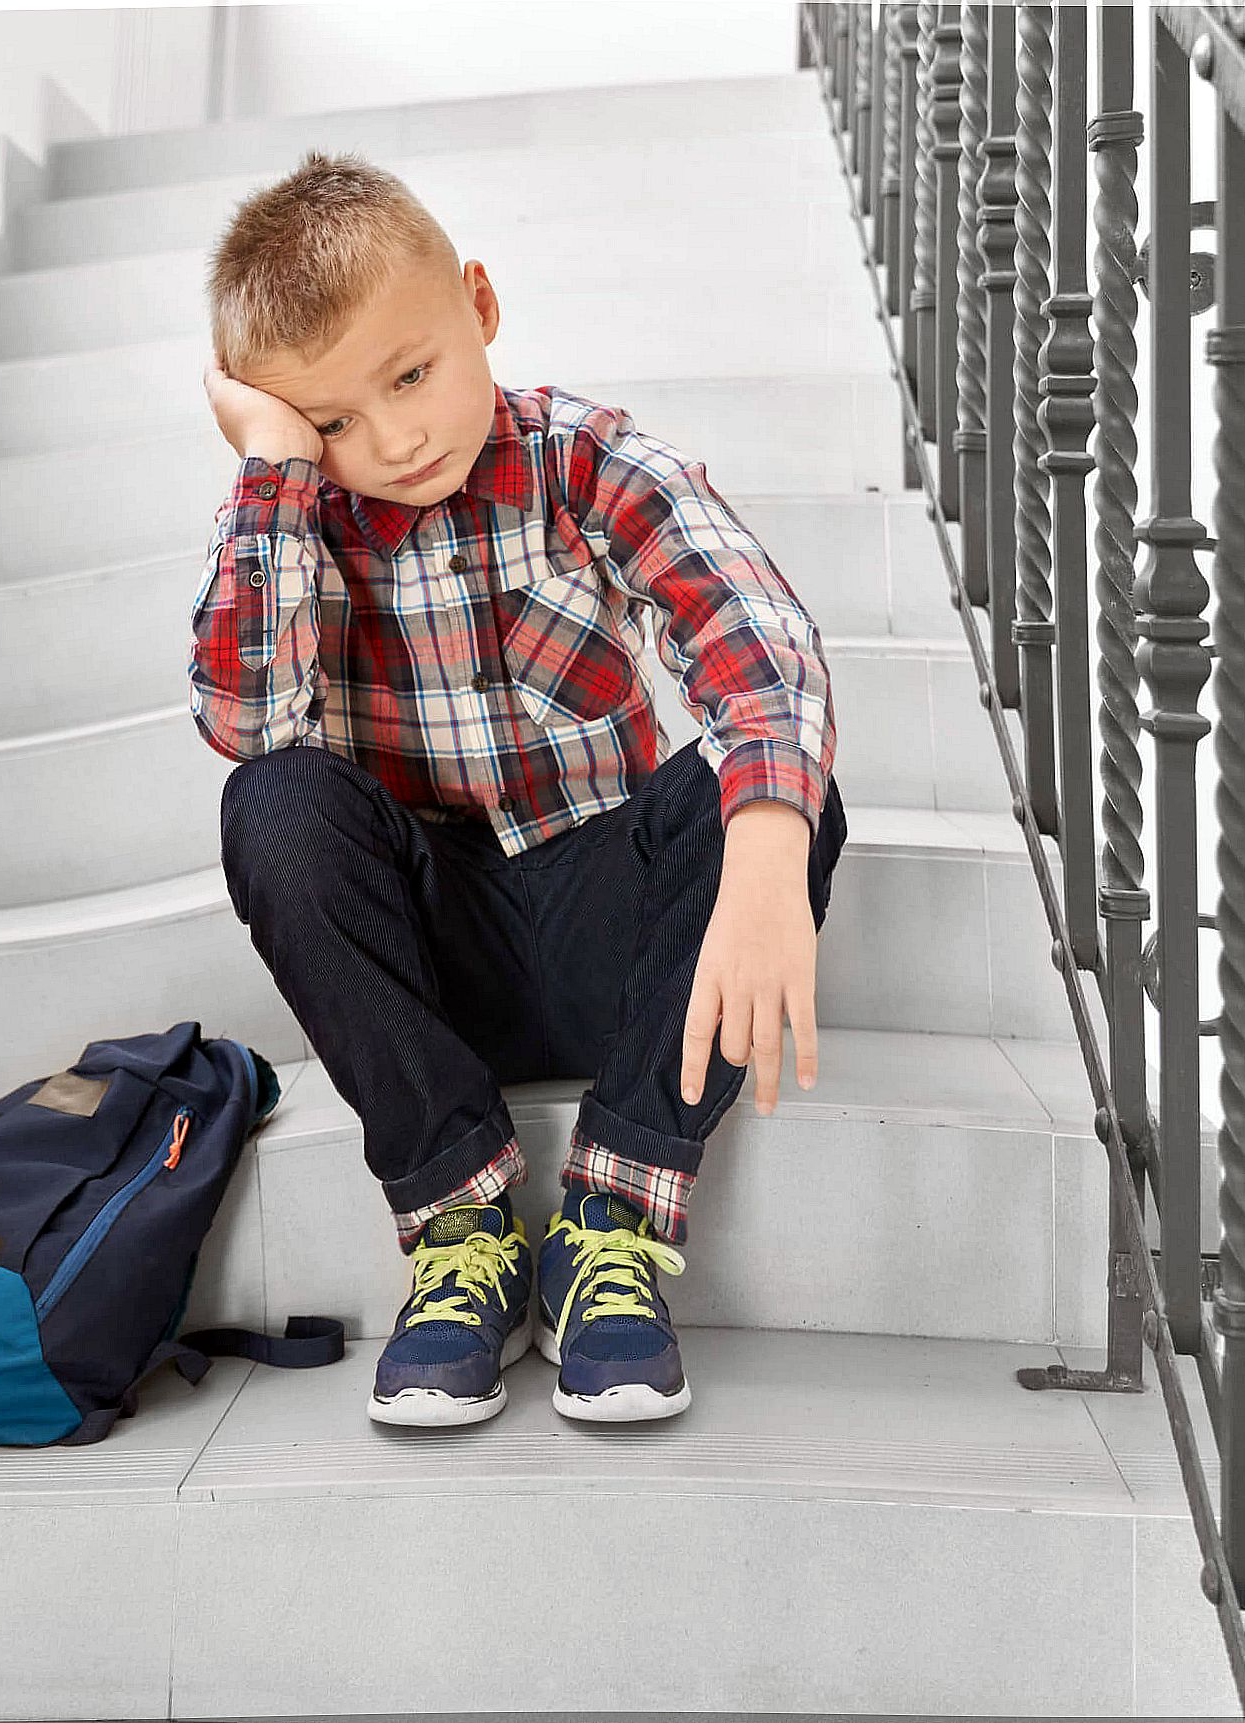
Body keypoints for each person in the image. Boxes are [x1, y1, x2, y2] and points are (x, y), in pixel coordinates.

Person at [189, 149, 848, 1429]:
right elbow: (245, 720)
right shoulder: (295, 514)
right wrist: (276, 468)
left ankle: (615, 1218)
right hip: (438, 976)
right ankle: (462, 1226)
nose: (394, 439)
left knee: (767, 779)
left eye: (413, 374)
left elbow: (760, 653)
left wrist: (769, 859)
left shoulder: (584, 457)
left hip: (619, 941)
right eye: (330, 420)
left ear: (480, 307)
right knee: (272, 800)